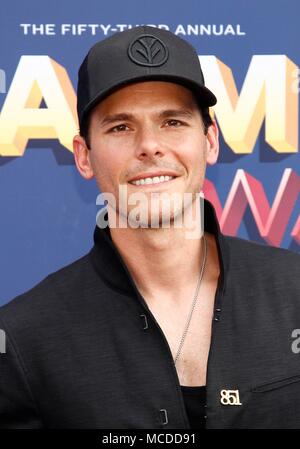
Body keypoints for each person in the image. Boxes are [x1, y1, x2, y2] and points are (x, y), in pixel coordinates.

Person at [0, 25, 300, 430]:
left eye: (173, 122)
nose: (150, 146)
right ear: (84, 156)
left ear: (210, 141)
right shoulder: (23, 339)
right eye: (120, 127)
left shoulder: (294, 291)